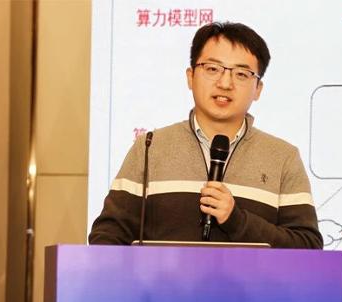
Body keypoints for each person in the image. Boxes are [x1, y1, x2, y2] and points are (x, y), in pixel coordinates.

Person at [88, 22, 323, 248]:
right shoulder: (151, 147)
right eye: (212, 69)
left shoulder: (283, 157)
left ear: (258, 89)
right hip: (162, 279)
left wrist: (237, 220)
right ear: (190, 77)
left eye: (241, 74)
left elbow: (308, 247)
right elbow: (107, 236)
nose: (225, 83)